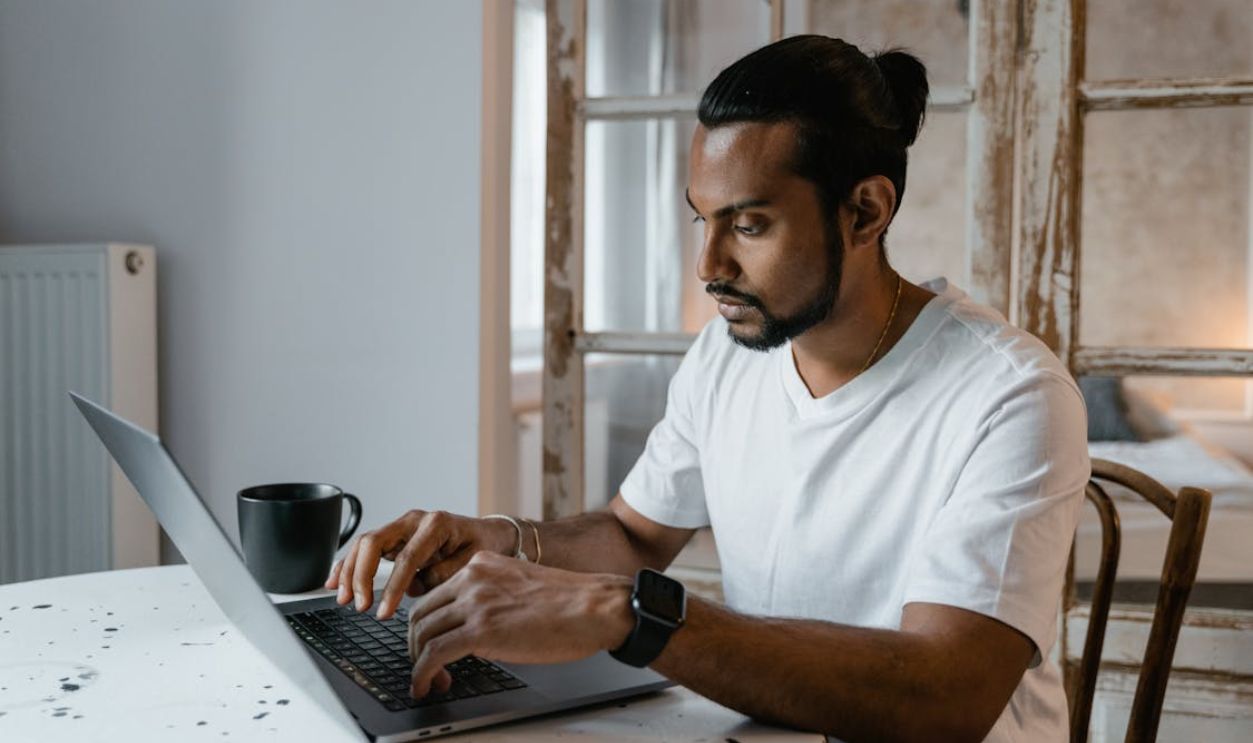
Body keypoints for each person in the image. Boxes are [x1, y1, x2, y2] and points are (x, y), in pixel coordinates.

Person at [326, 35, 1088, 743]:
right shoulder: (729, 353)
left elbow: (946, 693)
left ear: (864, 211)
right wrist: (501, 538)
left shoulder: (1009, 394)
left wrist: (630, 613)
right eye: (702, 220)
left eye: (748, 225)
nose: (708, 266)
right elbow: (632, 535)